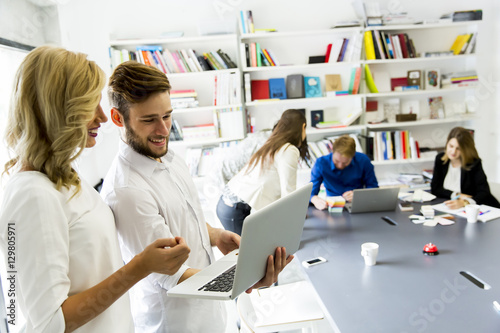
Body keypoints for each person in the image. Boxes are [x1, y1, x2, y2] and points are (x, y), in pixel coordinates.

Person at [0, 46, 190, 333]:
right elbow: (50, 324)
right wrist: (139, 267)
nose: (102, 117)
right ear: (59, 110)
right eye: (91, 105)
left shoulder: (64, 178)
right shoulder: (32, 194)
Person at [100, 61, 293, 333]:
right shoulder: (126, 191)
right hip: (178, 325)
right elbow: (173, 276)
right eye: (149, 120)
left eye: (167, 115)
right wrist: (247, 277)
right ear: (118, 118)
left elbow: (180, 218)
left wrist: (214, 235)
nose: (164, 129)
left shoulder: (168, 156)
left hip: (210, 316)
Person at [216, 109, 309, 235]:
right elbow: (289, 193)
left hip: (229, 204)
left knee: (252, 248)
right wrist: (295, 220)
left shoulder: (273, 144)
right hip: (234, 208)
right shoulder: (289, 150)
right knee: (247, 252)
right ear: (303, 127)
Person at [431, 127, 500, 209]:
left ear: (465, 149)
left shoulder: (474, 163)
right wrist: (456, 195)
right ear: (447, 143)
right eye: (451, 146)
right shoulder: (440, 160)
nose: (453, 152)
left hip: (482, 209)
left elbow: (484, 193)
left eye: (458, 148)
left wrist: (465, 202)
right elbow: (435, 188)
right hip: (452, 208)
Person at [310, 135, 378, 210]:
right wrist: (315, 199)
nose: (340, 166)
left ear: (353, 156)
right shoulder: (321, 163)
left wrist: (359, 195)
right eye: (336, 161)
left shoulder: (363, 161)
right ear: (332, 151)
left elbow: (373, 188)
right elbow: (311, 191)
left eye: (345, 163)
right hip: (333, 207)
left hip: (358, 205)